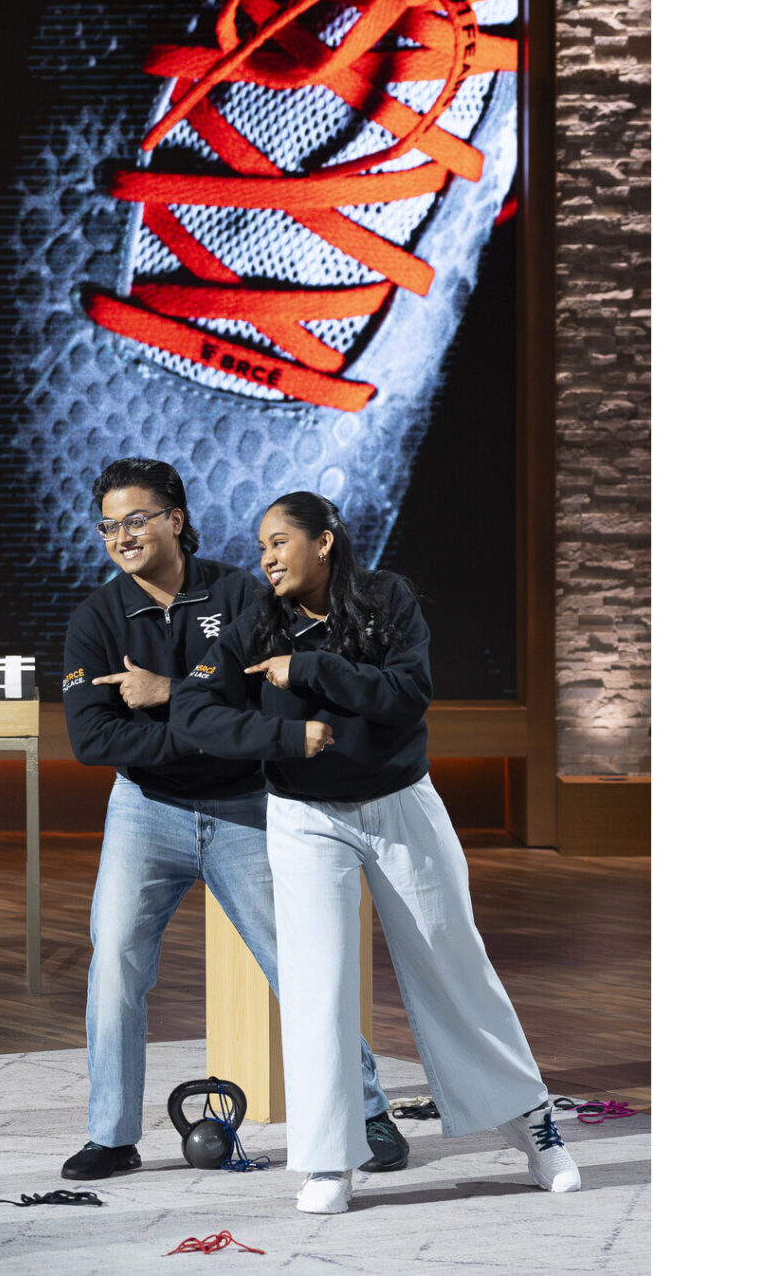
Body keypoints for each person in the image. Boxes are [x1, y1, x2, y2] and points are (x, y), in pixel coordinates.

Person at [170, 491, 580, 1214]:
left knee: (453, 961)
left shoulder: (386, 599)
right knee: (317, 982)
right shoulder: (256, 621)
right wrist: (283, 737)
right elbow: (192, 711)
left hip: (399, 802)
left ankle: (532, 1122)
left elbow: (407, 692)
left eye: (278, 541)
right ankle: (329, 1157)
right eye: (260, 547)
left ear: (324, 542)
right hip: (304, 816)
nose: (266, 558)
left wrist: (308, 671)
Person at [57, 459, 401, 1182]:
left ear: (175, 520)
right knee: (114, 962)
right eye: (109, 526)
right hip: (145, 810)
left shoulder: (242, 593)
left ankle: (368, 1112)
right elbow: (92, 739)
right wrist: (207, 722)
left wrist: (167, 695)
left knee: (299, 962)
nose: (122, 536)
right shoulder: (96, 617)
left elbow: (270, 700)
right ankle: (112, 1136)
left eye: (137, 519)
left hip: (248, 806)